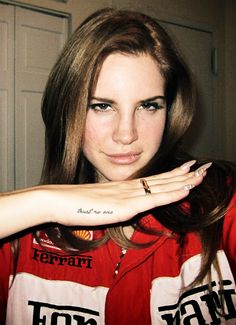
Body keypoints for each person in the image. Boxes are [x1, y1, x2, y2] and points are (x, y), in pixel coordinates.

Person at [0, 7, 235, 325]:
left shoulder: (220, 202)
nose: (127, 134)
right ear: (68, 110)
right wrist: (43, 202)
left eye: (149, 105)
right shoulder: (21, 236)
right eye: (101, 106)